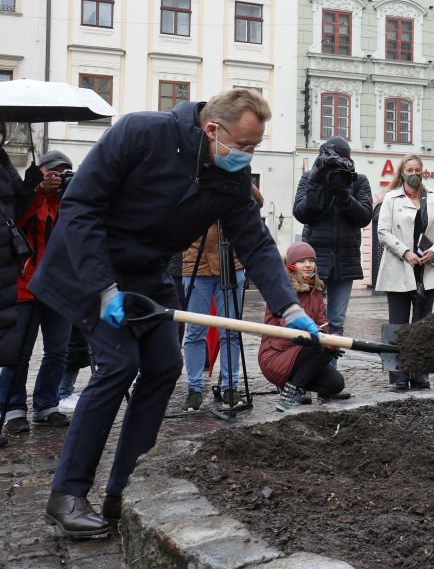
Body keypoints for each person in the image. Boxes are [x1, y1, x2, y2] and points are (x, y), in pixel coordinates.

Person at [30, 89, 321, 537]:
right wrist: (104, 289)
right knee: (118, 365)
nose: (248, 156)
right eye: (244, 146)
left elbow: (256, 240)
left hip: (147, 275)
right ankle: (66, 495)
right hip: (87, 265)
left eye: (256, 147)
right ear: (212, 130)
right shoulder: (140, 133)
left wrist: (287, 306)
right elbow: (80, 207)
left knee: (165, 366)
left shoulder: (230, 178)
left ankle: (123, 488)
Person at [0, 151, 76, 434]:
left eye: (63, 172)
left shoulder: (69, 201)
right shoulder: (26, 196)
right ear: (40, 172)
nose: (57, 177)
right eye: (52, 172)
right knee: (18, 352)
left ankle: (47, 405)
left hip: (59, 287)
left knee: (58, 351)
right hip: (26, 286)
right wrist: (39, 192)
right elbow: (16, 223)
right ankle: (12, 408)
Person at [293, 136, 373, 378]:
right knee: (308, 321)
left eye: (344, 158)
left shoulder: (358, 181)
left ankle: (328, 377)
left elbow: (365, 217)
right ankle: (304, 379)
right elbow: (301, 213)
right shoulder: (311, 178)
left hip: (345, 262)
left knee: (335, 322)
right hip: (313, 264)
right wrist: (320, 183)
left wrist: (344, 194)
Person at [178, 185, 263, 412]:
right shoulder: (193, 177)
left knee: (231, 331)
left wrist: (239, 177)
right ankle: (194, 389)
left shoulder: (234, 176)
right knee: (195, 331)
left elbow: (258, 202)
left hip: (230, 261)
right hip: (197, 264)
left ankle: (230, 387)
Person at [375, 154, 434, 391]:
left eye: (418, 169)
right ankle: (398, 374)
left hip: (427, 267)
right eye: (410, 169)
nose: (414, 173)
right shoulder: (391, 198)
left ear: (422, 171)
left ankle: (420, 372)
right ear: (402, 172)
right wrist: (405, 252)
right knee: (399, 324)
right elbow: (383, 231)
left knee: (422, 325)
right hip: (399, 266)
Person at [258, 242, 346, 411]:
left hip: (303, 354)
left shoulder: (316, 291)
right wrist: (318, 340)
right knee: (323, 348)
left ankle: (295, 385)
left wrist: (325, 336)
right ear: (291, 265)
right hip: (276, 355)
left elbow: (322, 324)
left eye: (311, 260)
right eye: (302, 261)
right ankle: (291, 393)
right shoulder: (281, 291)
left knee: (336, 383)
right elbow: (286, 324)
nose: (307, 265)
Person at [0, 123, 38, 448]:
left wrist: (31, 184)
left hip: (6, 263)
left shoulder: (3, 161)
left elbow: (18, 211)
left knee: (6, 342)